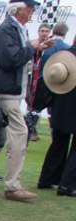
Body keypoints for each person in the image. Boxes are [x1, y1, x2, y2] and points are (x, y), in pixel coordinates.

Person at [0, 0, 53, 201]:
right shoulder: (9, 29)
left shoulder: (12, 28)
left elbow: (12, 57)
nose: (32, 11)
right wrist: (33, 48)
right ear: (20, 9)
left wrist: (37, 47)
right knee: (20, 132)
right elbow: (11, 60)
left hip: (6, 90)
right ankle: (12, 185)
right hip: (7, 91)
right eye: (30, 7)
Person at [37, 48, 76, 194]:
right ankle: (67, 184)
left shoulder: (64, 55)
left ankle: (47, 178)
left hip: (60, 107)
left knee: (58, 143)